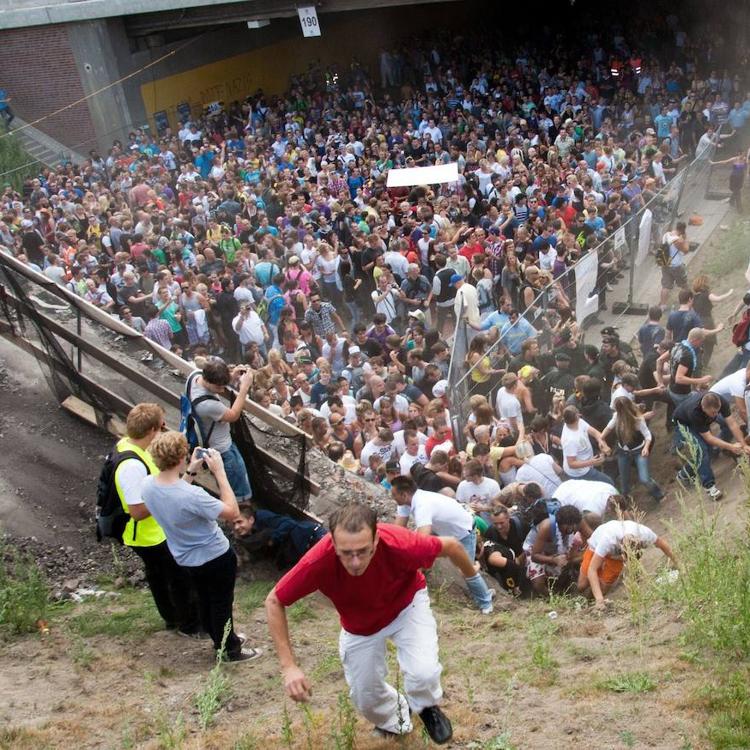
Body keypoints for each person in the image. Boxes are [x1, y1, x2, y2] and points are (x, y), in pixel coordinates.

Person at [265, 503, 486, 744]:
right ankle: (397, 717)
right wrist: (289, 667)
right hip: (360, 625)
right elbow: (275, 600)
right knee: (366, 697)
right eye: (346, 553)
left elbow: (452, 546)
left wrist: (473, 579)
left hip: (406, 606)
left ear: (376, 540)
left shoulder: (401, 543)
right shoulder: (319, 560)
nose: (356, 562)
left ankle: (426, 707)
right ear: (334, 544)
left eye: (363, 551)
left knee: (423, 673)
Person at [142, 431, 262, 662]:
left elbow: (173, 491)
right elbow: (232, 512)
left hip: (185, 556)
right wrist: (220, 472)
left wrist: (191, 471)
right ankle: (229, 649)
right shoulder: (193, 495)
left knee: (205, 599)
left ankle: (221, 637)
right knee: (221, 603)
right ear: (180, 457)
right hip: (214, 555)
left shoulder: (148, 485)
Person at [111, 403, 200, 636]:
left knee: (161, 576)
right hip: (147, 535)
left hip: (155, 531)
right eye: (161, 426)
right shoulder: (130, 465)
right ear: (151, 429)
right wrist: (166, 497)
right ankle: (189, 625)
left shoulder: (132, 448)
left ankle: (173, 619)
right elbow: (137, 511)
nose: (163, 429)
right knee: (180, 577)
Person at [391, 476, 495, 614]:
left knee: (465, 570)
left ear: (404, 494)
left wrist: (415, 562)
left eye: (394, 494)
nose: (392, 497)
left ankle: (485, 601)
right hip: (440, 528)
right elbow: (397, 530)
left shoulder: (423, 504)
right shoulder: (405, 502)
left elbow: (423, 540)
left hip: (463, 531)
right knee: (413, 550)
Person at [184, 357, 254, 502]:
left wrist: (231, 376)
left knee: (225, 484)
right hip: (223, 451)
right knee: (238, 491)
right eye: (219, 387)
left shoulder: (194, 376)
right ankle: (239, 512)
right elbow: (233, 415)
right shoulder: (207, 405)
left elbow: (217, 385)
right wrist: (244, 388)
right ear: (208, 380)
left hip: (215, 446)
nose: (222, 390)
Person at [577, 519, 676, 608]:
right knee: (582, 585)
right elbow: (592, 569)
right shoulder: (608, 540)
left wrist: (679, 564)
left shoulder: (644, 534)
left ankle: (589, 602)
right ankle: (586, 598)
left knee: (603, 588)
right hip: (596, 546)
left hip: (616, 556)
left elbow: (663, 544)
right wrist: (600, 600)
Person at [673, 391, 750, 500]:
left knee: (709, 450)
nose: (715, 415)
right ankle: (709, 487)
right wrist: (731, 447)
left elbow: (732, 424)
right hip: (683, 422)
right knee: (701, 450)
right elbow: (708, 438)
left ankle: (684, 475)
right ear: (704, 408)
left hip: (698, 418)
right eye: (713, 413)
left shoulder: (720, 401)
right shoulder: (695, 412)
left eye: (717, 412)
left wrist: (743, 444)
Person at [600, 397, 664, 501]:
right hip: (623, 453)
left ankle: (659, 495)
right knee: (624, 481)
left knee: (644, 479)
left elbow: (648, 436)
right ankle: (625, 500)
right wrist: (602, 441)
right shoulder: (616, 417)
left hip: (638, 451)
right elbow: (606, 431)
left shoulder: (638, 420)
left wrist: (646, 448)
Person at [232, 505, 327, 569]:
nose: (236, 527)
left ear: (251, 519)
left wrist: (273, 539)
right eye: (234, 524)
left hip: (311, 535)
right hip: (301, 548)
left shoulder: (263, 516)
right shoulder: (247, 534)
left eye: (240, 522)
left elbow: (289, 523)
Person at [560, 405, 614, 485]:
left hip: (588, 463)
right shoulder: (569, 440)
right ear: (577, 416)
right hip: (579, 473)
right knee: (609, 483)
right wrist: (591, 462)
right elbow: (571, 464)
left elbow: (595, 433)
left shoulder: (579, 422)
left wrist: (602, 444)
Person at [659, 221, 690, 308]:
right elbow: (686, 250)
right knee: (684, 285)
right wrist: (686, 239)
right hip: (676, 265)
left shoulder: (666, 235)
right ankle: (687, 301)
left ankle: (662, 306)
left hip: (665, 264)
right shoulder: (677, 241)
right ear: (683, 230)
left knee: (665, 286)